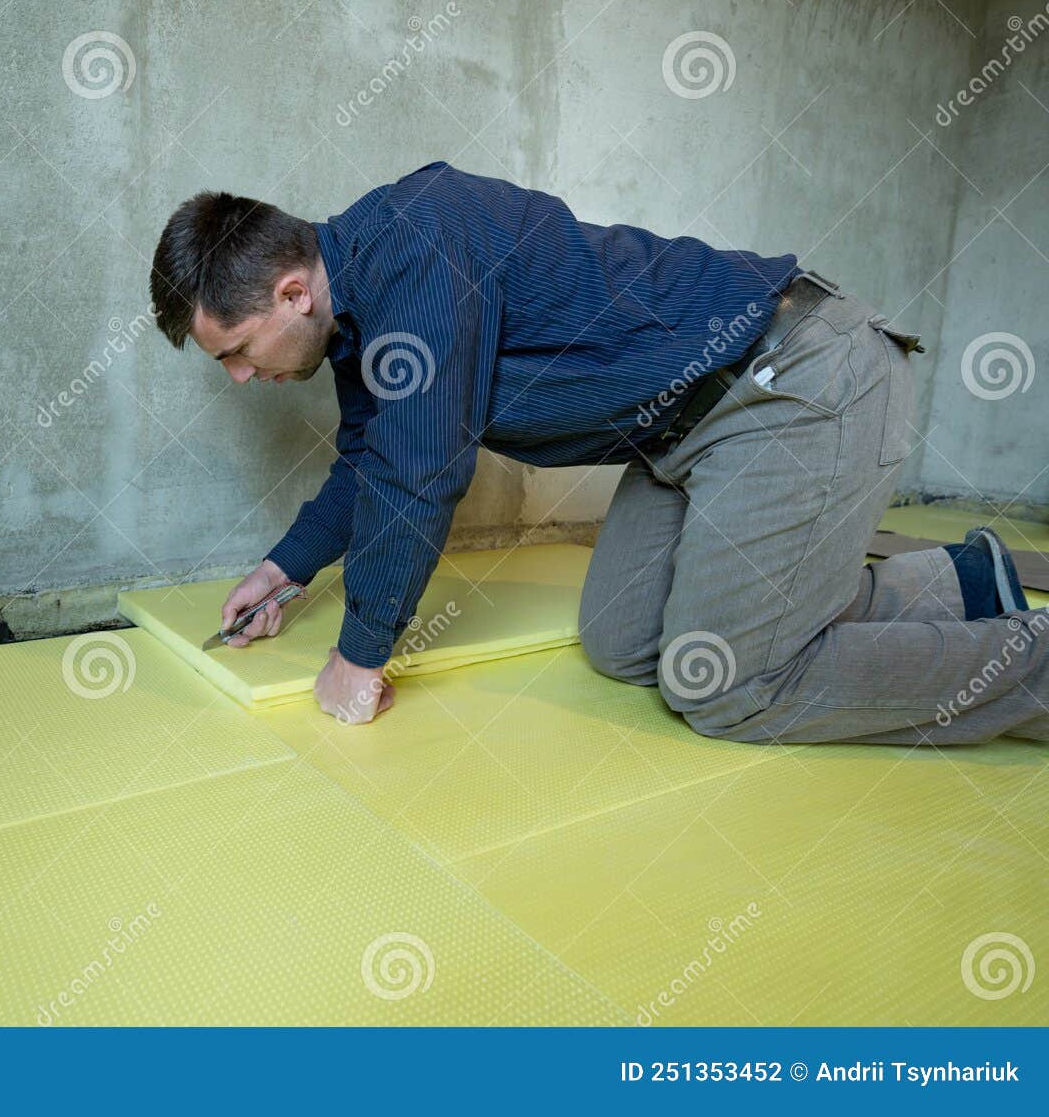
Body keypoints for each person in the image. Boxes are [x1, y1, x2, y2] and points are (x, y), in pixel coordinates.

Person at [147, 160, 1047, 744]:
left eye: (233, 350)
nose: (238, 376)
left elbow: (422, 473)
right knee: (623, 644)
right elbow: (376, 457)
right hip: (685, 431)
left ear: (292, 290)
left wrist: (359, 653)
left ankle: (1029, 664)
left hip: (798, 378)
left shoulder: (419, 243)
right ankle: (964, 582)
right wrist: (286, 567)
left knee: (731, 687)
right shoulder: (359, 315)